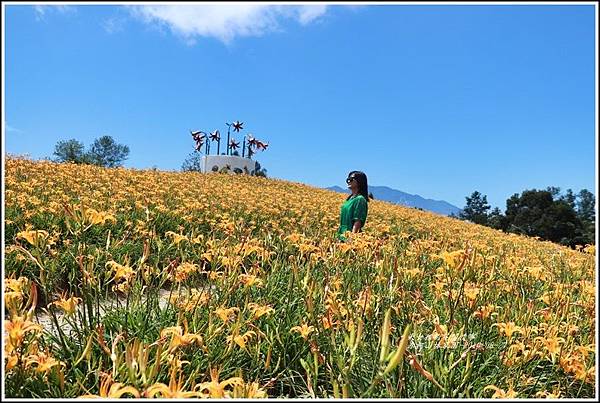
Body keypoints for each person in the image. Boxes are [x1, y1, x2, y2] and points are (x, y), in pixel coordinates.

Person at [337, 171, 369, 241]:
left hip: (349, 237)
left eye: (351, 179)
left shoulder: (360, 199)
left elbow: (357, 221)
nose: (348, 181)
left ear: (359, 181)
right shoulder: (349, 199)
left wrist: (352, 239)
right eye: (347, 179)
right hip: (342, 235)